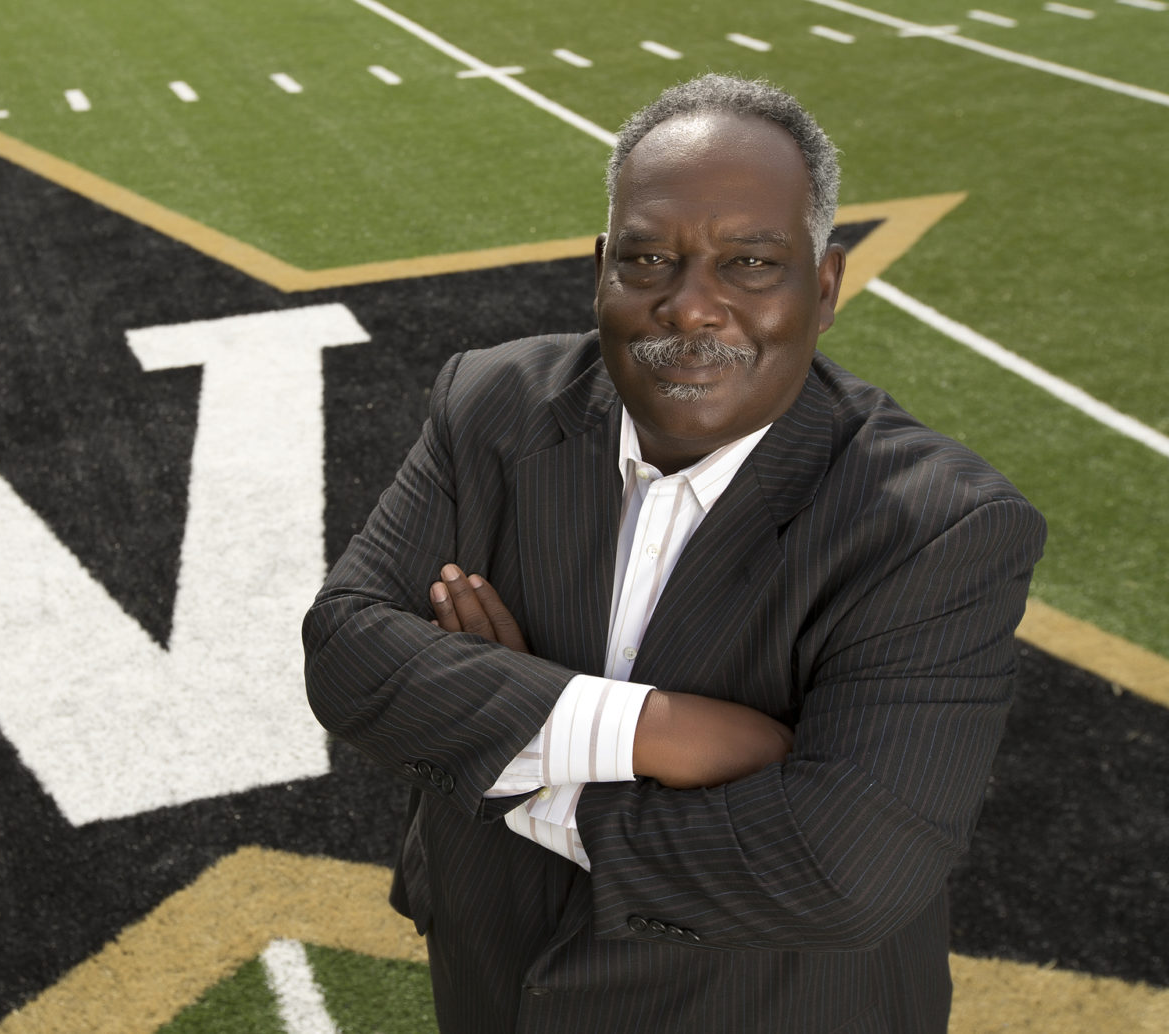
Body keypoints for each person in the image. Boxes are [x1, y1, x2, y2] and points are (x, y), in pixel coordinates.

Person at [303, 74, 1045, 1034]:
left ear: (824, 287)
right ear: (602, 269)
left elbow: (839, 869)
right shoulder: (491, 404)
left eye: (749, 263)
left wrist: (516, 738)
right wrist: (651, 730)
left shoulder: (940, 524)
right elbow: (350, 652)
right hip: (495, 971)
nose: (691, 308)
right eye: (650, 259)